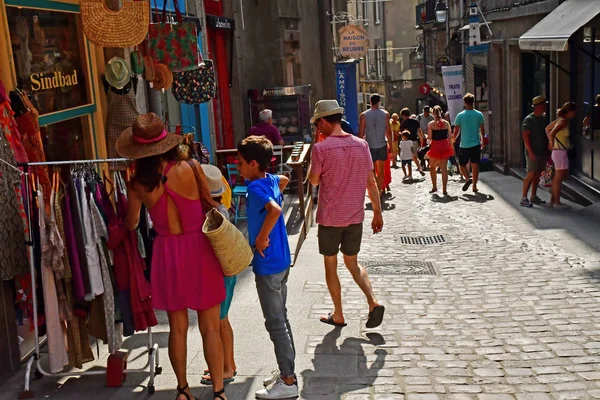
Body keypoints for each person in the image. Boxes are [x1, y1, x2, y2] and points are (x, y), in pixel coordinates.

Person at [116, 113, 227, 400]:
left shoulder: (138, 184)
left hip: (167, 254)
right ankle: (218, 392)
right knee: (210, 328)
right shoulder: (192, 167)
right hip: (201, 249)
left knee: (177, 329)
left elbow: (130, 224)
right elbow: (210, 203)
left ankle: (183, 390)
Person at [308, 100, 385, 329]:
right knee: (352, 262)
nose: (317, 128)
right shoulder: (361, 145)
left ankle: (339, 313)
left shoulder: (321, 148)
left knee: (330, 265)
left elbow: (313, 180)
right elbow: (371, 183)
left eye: (317, 124)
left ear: (323, 121)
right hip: (355, 215)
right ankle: (373, 301)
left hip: (331, 218)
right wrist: (377, 213)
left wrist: (315, 146)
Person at [237, 136, 297, 399]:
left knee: (275, 323)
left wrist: (260, 238)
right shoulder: (270, 180)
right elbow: (283, 181)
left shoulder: (254, 189)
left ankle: (288, 380)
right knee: (281, 318)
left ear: (252, 163)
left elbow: (273, 210)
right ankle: (288, 371)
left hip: (268, 263)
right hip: (282, 260)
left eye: (240, 163)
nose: (237, 168)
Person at [199, 165, 238, 387]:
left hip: (220, 272)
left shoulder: (211, 215)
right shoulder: (222, 208)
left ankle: (226, 368)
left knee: (220, 321)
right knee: (223, 320)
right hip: (227, 271)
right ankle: (227, 363)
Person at [359, 94, 393, 196]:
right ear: (379, 102)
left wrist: (360, 147)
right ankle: (379, 191)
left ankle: (374, 192)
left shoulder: (363, 115)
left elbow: (361, 133)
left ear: (370, 101)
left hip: (370, 146)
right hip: (382, 144)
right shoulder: (385, 114)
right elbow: (388, 131)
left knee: (372, 171)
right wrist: (391, 145)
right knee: (381, 170)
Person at [546, 102, 577, 210]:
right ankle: (557, 202)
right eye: (574, 111)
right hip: (560, 151)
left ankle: (552, 201)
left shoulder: (561, 119)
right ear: (570, 111)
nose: (575, 114)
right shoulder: (563, 121)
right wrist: (551, 142)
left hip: (558, 151)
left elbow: (547, 129)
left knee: (557, 177)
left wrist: (552, 142)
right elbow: (551, 132)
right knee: (559, 178)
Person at [520, 96, 549, 207]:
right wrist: (530, 152)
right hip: (532, 151)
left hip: (541, 150)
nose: (545, 107)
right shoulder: (529, 120)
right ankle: (523, 197)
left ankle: (533, 196)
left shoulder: (542, 119)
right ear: (538, 106)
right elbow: (525, 137)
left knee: (537, 174)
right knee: (531, 173)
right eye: (544, 105)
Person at [453, 93, 485, 193]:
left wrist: (453, 140)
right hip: (475, 143)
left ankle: (467, 178)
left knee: (461, 164)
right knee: (475, 165)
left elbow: (456, 131)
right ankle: (474, 186)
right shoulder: (479, 114)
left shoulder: (460, 115)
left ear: (464, 103)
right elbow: (482, 130)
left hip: (464, 144)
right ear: (473, 102)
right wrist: (482, 141)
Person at [427, 106, 454, 195]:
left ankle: (434, 187)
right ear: (441, 112)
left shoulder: (431, 124)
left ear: (433, 113)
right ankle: (444, 189)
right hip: (445, 146)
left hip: (435, 146)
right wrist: (452, 147)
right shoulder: (446, 123)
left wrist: (427, 138)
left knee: (432, 167)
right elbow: (450, 137)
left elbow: (430, 138)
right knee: (444, 169)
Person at [400, 108, 426, 176]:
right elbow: (419, 130)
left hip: (407, 141)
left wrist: (402, 139)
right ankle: (419, 168)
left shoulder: (404, 122)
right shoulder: (415, 121)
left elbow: (405, 132)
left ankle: (410, 173)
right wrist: (421, 138)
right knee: (414, 156)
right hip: (415, 140)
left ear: (404, 115)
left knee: (409, 157)